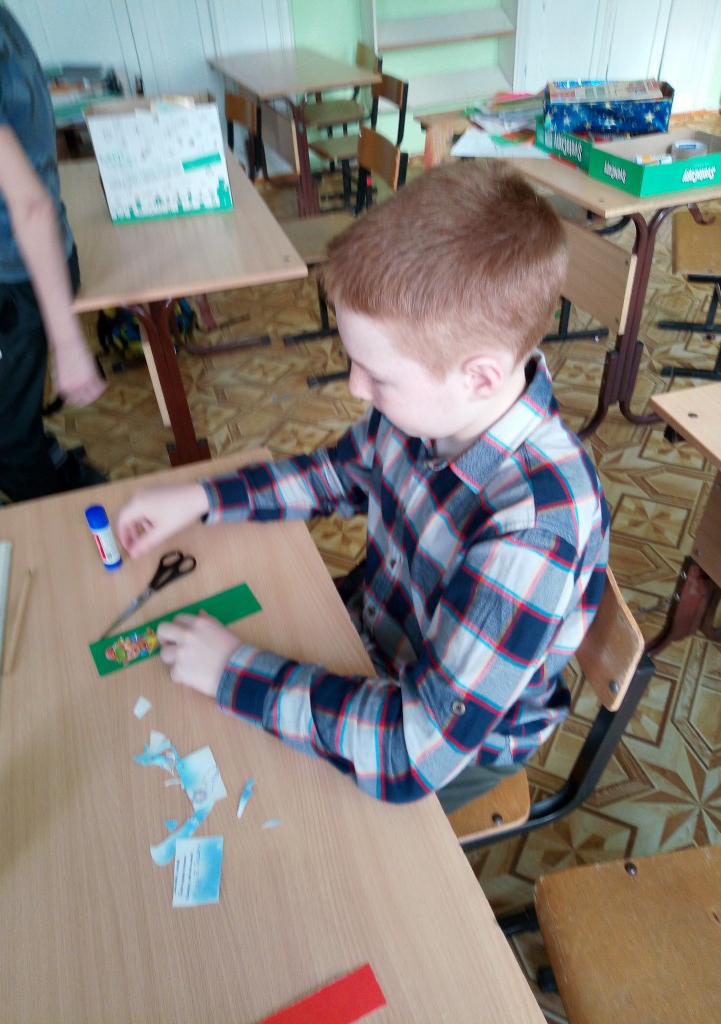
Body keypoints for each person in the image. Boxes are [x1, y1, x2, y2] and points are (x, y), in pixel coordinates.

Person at [116, 159, 610, 812]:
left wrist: (232, 671)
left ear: (480, 377)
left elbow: (410, 752)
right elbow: (339, 473)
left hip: (454, 743)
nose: (355, 387)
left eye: (377, 375)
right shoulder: (434, 408)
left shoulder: (533, 532)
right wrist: (204, 497)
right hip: (371, 643)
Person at [0, 0, 106, 503]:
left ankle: (71, 519)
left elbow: (30, 204)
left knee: (1, 437)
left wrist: (68, 343)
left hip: (11, 274)